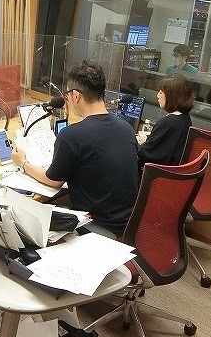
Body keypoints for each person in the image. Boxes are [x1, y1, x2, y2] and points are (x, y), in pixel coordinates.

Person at [11, 60, 139, 238]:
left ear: (76, 95)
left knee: (21, 217)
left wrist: (23, 163)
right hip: (128, 224)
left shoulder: (72, 136)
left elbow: (53, 180)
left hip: (95, 227)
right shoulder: (126, 129)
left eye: (67, 95)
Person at [137, 73, 194, 169]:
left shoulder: (167, 123)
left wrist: (134, 142)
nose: (157, 96)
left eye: (160, 93)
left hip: (153, 173)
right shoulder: (185, 118)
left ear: (171, 96)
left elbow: (146, 154)